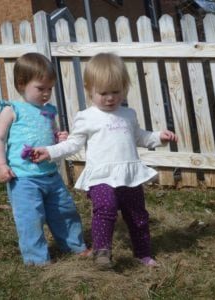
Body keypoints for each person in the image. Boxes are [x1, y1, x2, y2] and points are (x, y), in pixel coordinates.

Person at [33, 53, 178, 269]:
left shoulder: (128, 114)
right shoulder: (87, 117)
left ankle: (143, 253)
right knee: (106, 208)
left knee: (138, 216)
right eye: (103, 93)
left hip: (129, 176)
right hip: (101, 176)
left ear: (124, 88)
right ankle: (102, 253)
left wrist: (159, 137)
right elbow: (72, 144)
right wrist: (50, 151)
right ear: (89, 89)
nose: (110, 98)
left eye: (116, 92)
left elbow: (140, 136)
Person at [0, 52, 88, 266]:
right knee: (30, 219)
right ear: (21, 83)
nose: (46, 94)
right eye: (40, 88)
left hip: (51, 175)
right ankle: (37, 260)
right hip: (23, 179)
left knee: (65, 211)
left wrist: (59, 138)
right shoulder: (11, 110)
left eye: (49, 89)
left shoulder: (49, 111)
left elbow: (52, 136)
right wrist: (1, 165)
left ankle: (74, 245)